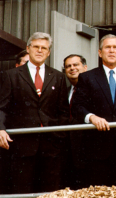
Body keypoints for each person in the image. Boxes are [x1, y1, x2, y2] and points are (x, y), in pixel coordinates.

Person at [71, 34, 116, 187]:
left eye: (115, 47)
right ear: (100, 52)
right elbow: (77, 106)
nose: (111, 51)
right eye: (107, 47)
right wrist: (92, 118)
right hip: (96, 150)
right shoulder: (86, 77)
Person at [0, 32, 69, 193]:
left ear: (49, 52)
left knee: (49, 192)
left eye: (44, 48)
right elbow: (2, 107)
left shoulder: (58, 77)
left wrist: (59, 137)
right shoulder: (11, 75)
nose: (40, 50)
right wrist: (0, 128)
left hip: (51, 146)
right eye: (36, 47)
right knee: (22, 191)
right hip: (22, 146)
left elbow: (63, 111)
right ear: (28, 48)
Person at [63, 54, 87, 189]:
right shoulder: (64, 91)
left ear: (85, 67)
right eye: (68, 66)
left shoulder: (94, 89)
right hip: (68, 150)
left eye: (75, 65)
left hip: (87, 149)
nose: (72, 68)